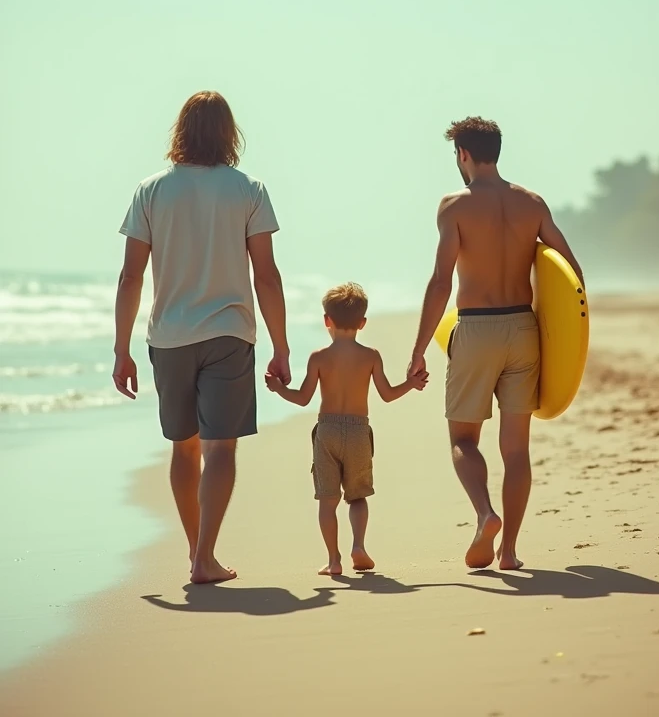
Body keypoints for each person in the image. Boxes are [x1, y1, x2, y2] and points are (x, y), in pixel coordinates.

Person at [112, 91, 290, 584]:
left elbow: (131, 277)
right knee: (222, 448)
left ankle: (198, 552)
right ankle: (203, 556)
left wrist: (121, 349)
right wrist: (281, 345)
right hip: (229, 332)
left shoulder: (150, 190)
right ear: (229, 133)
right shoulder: (248, 189)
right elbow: (267, 275)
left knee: (184, 447)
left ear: (181, 131)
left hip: (169, 337)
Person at [407, 117, 583, 572]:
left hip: (477, 328)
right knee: (517, 450)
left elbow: (441, 281)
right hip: (524, 330)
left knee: (463, 439)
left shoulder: (454, 206)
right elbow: (570, 272)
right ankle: (509, 552)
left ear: (463, 154)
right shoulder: (532, 202)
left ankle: (486, 515)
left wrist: (418, 348)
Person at [266, 283, 428, 576]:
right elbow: (388, 395)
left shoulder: (318, 357)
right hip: (358, 432)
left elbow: (302, 398)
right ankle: (359, 546)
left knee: (327, 501)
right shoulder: (371, 356)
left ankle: (333, 560)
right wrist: (412, 384)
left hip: (327, 430)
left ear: (326, 320)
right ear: (362, 323)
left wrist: (279, 389)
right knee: (358, 496)